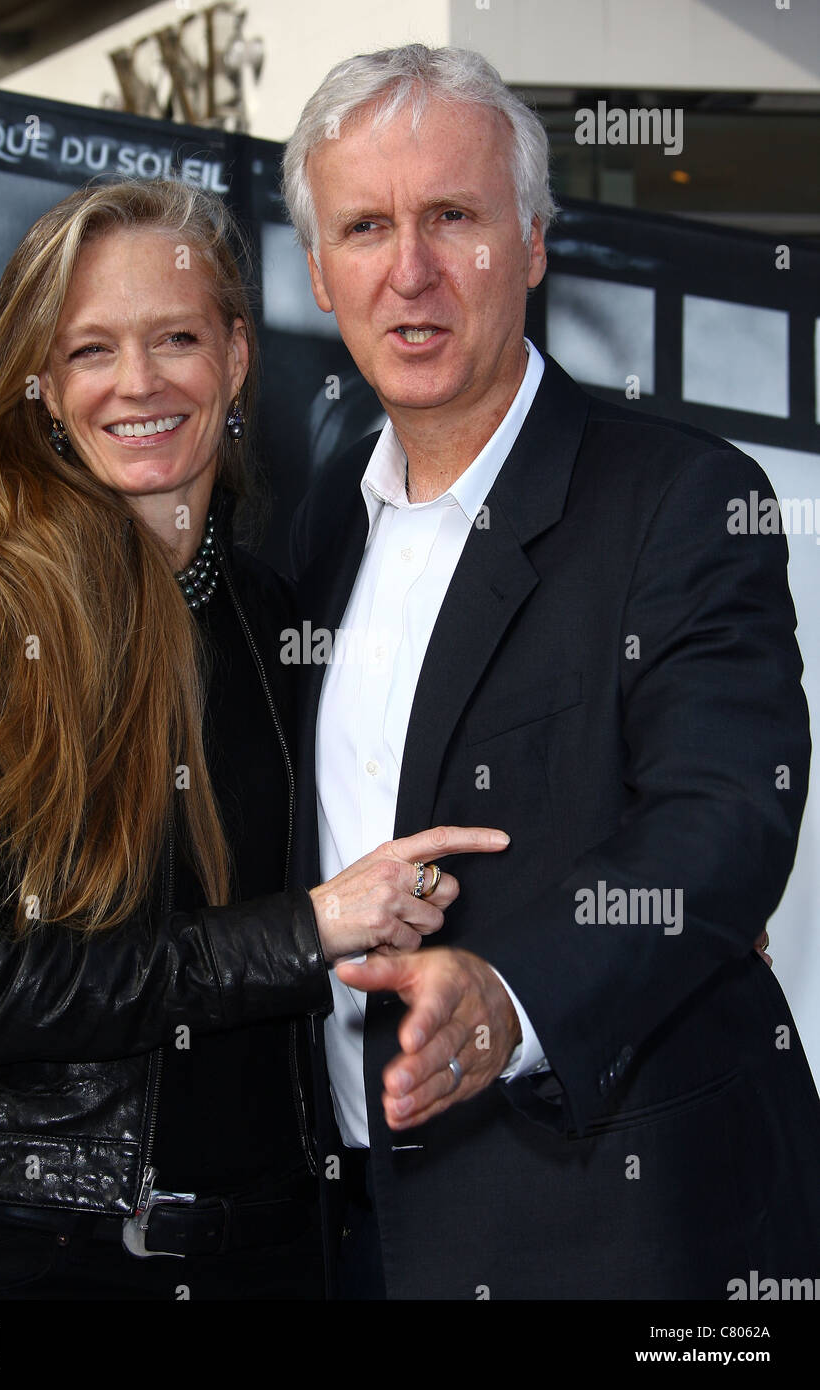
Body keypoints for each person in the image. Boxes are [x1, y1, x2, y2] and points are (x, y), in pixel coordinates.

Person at [0, 177, 507, 1300]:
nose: (139, 382)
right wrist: (296, 930)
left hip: (282, 1252)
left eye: (175, 339)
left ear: (236, 359)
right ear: (43, 387)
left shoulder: (287, 623)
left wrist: (649, 919)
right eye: (91, 349)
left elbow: (426, 839)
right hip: (26, 1257)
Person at [283, 44, 820, 1299]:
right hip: (356, 1237)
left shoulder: (681, 498)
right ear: (319, 272)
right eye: (364, 226)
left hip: (622, 1231)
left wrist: (513, 998)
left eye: (451, 217)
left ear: (531, 240)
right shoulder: (307, 529)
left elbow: (724, 818)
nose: (407, 270)